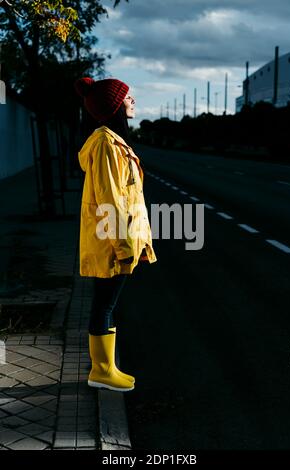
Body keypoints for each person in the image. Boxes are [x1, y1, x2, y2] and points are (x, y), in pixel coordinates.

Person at [74, 77, 157, 392]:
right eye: (127, 96)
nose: (133, 100)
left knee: (105, 303)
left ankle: (105, 368)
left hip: (114, 239)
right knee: (104, 304)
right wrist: (124, 247)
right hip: (112, 242)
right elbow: (110, 199)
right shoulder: (107, 144)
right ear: (114, 106)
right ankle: (102, 371)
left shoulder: (112, 141)